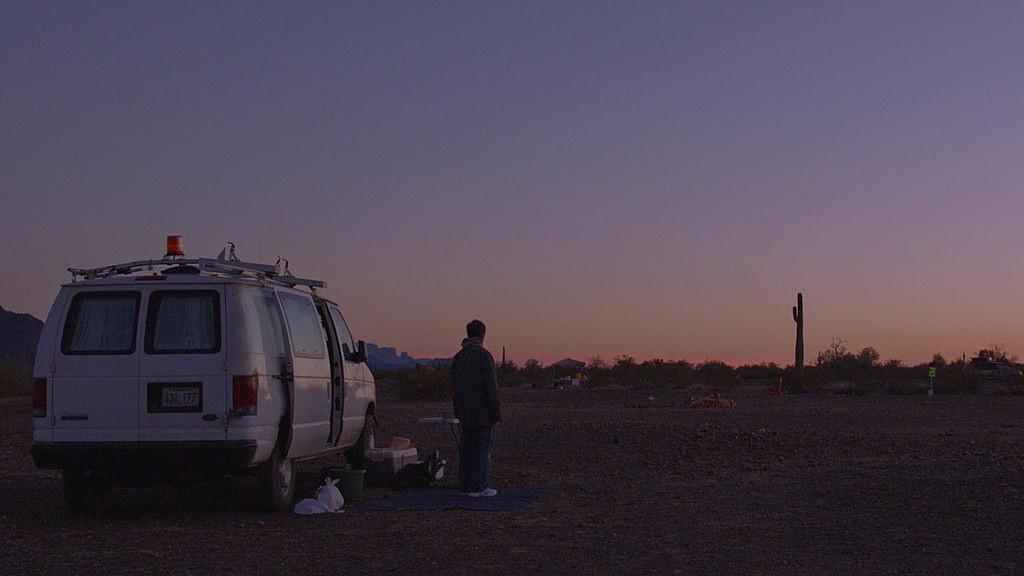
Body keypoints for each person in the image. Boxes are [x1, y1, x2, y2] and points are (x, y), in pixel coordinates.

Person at [450, 319, 502, 497]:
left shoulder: (459, 357)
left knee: (467, 448)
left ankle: (465, 484)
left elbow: (454, 386)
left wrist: (458, 410)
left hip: (464, 412)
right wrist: (495, 412)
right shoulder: (483, 356)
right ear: (483, 334)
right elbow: (491, 387)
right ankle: (477, 486)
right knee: (482, 450)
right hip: (482, 413)